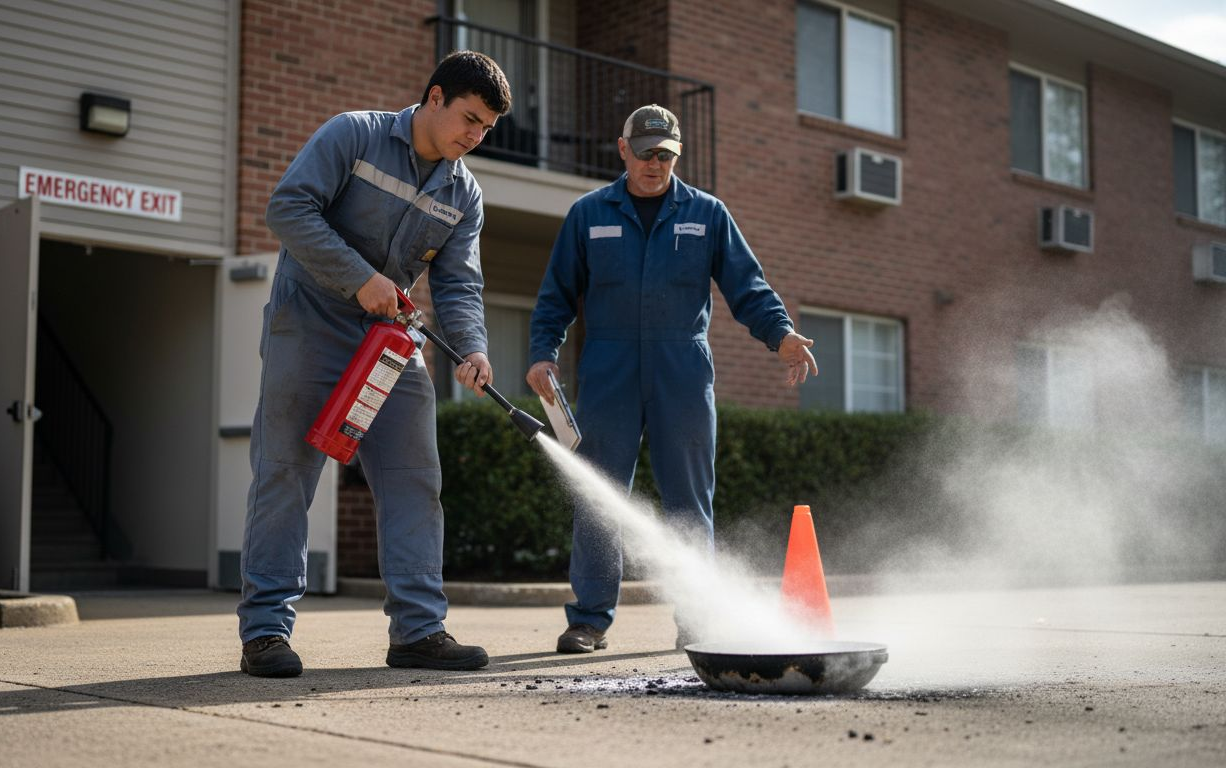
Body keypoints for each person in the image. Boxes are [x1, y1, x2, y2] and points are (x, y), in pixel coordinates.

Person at [238, 51, 511, 677]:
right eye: (469, 119)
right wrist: (359, 278)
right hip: (307, 325)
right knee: (286, 474)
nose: (474, 137)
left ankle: (418, 632)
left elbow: (460, 284)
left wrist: (473, 347)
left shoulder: (462, 191)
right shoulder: (352, 135)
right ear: (434, 98)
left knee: (416, 476)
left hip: (390, 342)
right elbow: (288, 209)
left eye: (485, 130)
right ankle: (264, 634)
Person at [525, 104, 817, 654]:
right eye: (645, 153)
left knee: (689, 500)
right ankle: (589, 619)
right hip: (608, 368)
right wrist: (543, 352)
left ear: (675, 157)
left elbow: (747, 289)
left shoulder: (707, 214)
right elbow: (555, 297)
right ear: (623, 149)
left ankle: (696, 619)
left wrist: (780, 334)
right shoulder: (589, 215)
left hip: (682, 368)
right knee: (600, 497)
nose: (654, 164)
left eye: (665, 155)